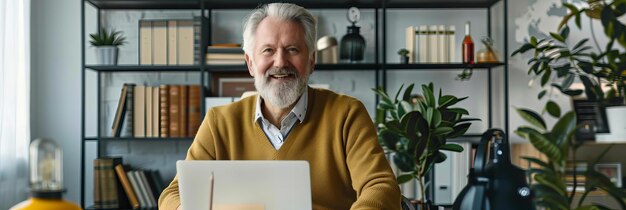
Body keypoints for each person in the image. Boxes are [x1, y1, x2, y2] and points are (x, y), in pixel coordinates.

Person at [158, 3, 401, 209]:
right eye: (268, 50)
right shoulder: (218, 122)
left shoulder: (347, 115)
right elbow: (173, 194)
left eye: (292, 50)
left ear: (312, 61)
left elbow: (380, 186)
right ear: (250, 63)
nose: (280, 62)